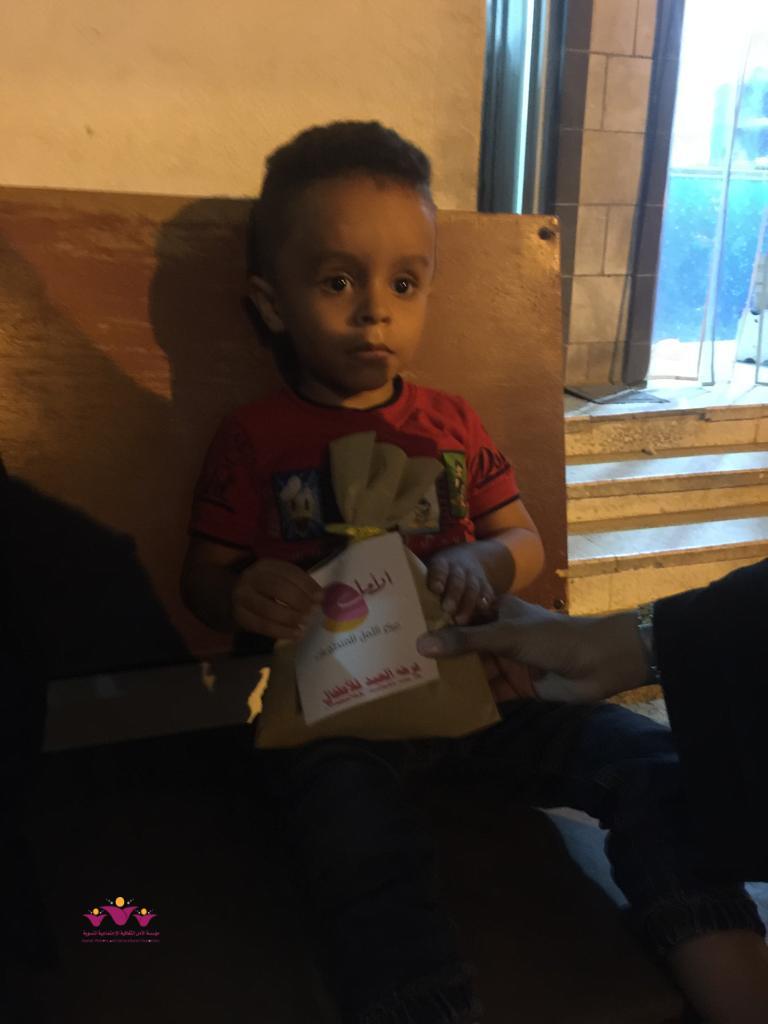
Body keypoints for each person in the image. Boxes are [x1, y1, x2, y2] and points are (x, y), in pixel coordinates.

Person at [181, 121, 768, 1024]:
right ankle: (423, 1005)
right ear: (271, 303)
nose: (374, 312)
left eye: (404, 283)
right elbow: (206, 579)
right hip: (340, 724)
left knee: (651, 762)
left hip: (490, 698)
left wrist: (485, 558)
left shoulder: (451, 424)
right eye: (337, 282)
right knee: (356, 842)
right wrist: (243, 590)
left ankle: (727, 971)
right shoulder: (255, 438)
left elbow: (522, 539)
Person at [417, 558, 768, 883]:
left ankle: (709, 925)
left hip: (503, 709)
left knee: (664, 773)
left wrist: (648, 642)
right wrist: (646, 641)